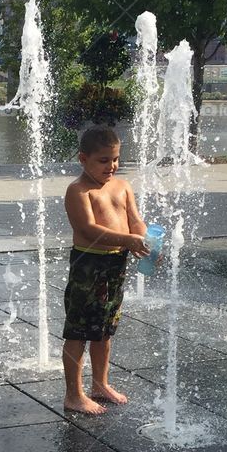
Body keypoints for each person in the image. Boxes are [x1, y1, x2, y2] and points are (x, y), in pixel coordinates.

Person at [62, 126, 149, 415]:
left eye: (115, 159)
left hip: (115, 265)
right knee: (79, 332)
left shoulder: (122, 186)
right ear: (83, 158)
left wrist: (145, 240)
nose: (111, 166)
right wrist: (128, 240)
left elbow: (135, 220)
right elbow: (88, 230)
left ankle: (100, 383)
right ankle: (74, 394)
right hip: (89, 265)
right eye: (103, 160)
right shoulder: (78, 190)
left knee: (105, 331)